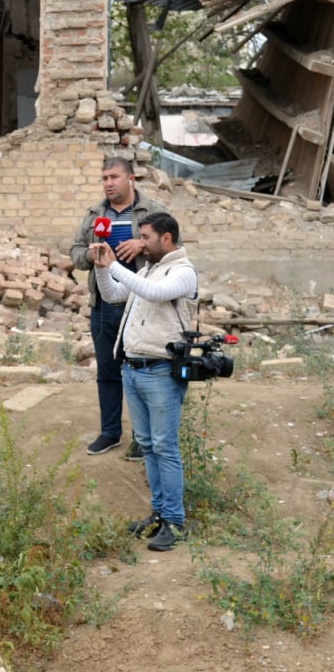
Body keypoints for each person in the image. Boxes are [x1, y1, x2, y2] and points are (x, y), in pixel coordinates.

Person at [92, 212, 198, 552]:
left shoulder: (183, 272)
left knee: (165, 447)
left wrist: (117, 266)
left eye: (147, 237)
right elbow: (112, 295)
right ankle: (160, 513)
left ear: (166, 239)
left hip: (161, 373)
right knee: (149, 446)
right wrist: (101, 266)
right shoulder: (148, 270)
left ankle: (175, 522)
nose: (142, 243)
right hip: (134, 370)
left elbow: (153, 293)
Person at [70, 157, 169, 458]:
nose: (108, 183)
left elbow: (172, 247)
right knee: (108, 372)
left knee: (143, 372)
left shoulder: (152, 211)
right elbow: (74, 253)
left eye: (114, 177)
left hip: (142, 307)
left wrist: (143, 245)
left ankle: (144, 438)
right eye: (104, 178)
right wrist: (91, 256)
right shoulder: (95, 215)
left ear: (131, 179)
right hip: (104, 305)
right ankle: (110, 432)